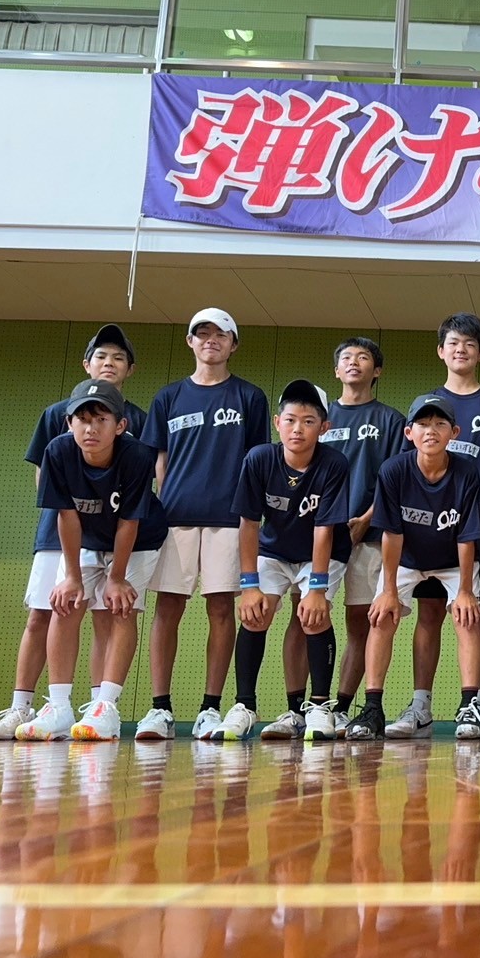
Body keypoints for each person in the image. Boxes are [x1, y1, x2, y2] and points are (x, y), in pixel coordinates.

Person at [0, 324, 147, 740]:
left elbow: (136, 498)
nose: (109, 363)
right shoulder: (57, 417)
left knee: (106, 614)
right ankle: (23, 707)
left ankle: (97, 707)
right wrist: (70, 509)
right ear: (86, 363)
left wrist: (113, 563)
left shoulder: (139, 423)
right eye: (101, 356)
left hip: (114, 531)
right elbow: (48, 479)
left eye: (118, 358)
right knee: (46, 610)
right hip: (63, 527)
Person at [136, 309, 270, 741]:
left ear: (233, 344)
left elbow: (257, 460)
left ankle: (210, 708)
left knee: (221, 608)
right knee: (168, 608)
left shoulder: (250, 397)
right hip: (175, 519)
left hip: (228, 520)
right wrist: (169, 498)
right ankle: (160, 708)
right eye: (202, 333)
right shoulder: (168, 397)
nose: (211, 340)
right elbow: (158, 459)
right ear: (190, 342)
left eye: (221, 334)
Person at [384, 314, 480, 740]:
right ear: (441, 351)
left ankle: (471, 704)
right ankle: (421, 704)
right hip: (426, 529)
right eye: (454, 343)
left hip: (479, 526)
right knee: (428, 614)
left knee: (472, 612)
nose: (461, 350)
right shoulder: (427, 403)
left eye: (470, 344)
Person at [14, 380, 166, 741]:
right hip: (87, 537)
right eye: (82, 419)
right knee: (65, 604)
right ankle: (59, 707)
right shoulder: (57, 452)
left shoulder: (137, 456)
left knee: (121, 609)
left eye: (101, 419)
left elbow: (129, 522)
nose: (91, 428)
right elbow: (66, 515)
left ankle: (106, 707)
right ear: (69, 424)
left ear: (120, 425)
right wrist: (72, 578)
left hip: (138, 540)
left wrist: (117, 577)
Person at [346, 394, 480, 740]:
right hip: (407, 558)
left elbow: (467, 536)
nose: (430, 430)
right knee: (381, 616)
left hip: (453, 560)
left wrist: (465, 591)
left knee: (467, 615)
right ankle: (373, 708)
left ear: (454, 432)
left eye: (439, 424)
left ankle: (470, 706)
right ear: (409, 433)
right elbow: (392, 534)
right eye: (422, 424)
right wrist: (389, 590)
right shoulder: (394, 470)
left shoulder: (467, 472)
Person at [223, 380, 350, 742]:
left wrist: (317, 589)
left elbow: (324, 530)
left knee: (312, 616)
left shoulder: (334, 463)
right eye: (291, 420)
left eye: (309, 421)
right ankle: (245, 706)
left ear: (324, 427)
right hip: (274, 551)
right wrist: (249, 586)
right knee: (255, 613)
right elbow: (248, 524)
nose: (298, 429)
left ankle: (319, 706)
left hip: (322, 553)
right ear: (277, 422)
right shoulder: (259, 459)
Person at [319, 337, 407, 738]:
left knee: (360, 622)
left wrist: (365, 520)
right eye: (346, 357)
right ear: (336, 370)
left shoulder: (390, 420)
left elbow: (394, 480)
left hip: (369, 536)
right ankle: (306, 707)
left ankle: (341, 707)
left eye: (364, 357)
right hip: (320, 536)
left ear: (378, 370)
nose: (354, 362)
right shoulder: (320, 418)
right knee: (309, 617)